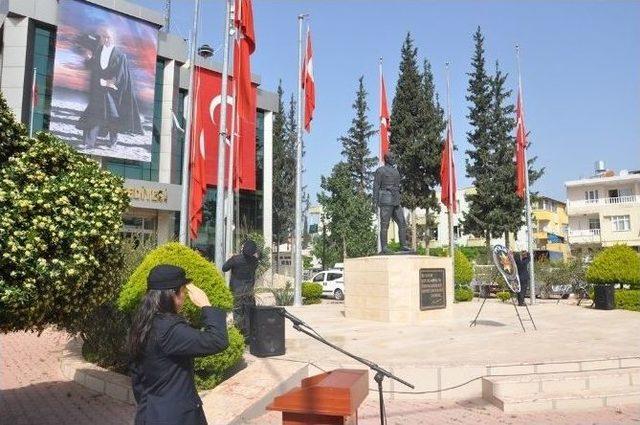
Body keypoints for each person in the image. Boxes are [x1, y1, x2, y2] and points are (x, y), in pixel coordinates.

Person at [129, 264, 229, 425]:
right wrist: (206, 305)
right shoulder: (170, 330)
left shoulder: (143, 323)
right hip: (176, 417)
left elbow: (137, 376)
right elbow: (217, 340)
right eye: (182, 291)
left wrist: (152, 405)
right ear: (172, 295)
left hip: (149, 413)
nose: (184, 297)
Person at [76, 27, 143, 148]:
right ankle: (88, 143)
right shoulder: (97, 51)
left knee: (113, 118)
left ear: (113, 38)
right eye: (104, 37)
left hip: (113, 93)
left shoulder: (120, 56)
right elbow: (91, 67)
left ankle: (113, 141)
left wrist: (107, 82)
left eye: (108, 37)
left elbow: (120, 75)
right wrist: (88, 59)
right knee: (94, 115)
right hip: (98, 92)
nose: (106, 39)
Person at [222, 240, 261, 340]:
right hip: (249, 291)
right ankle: (249, 336)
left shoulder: (235, 259)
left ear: (243, 249)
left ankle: (240, 336)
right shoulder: (255, 261)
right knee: (249, 312)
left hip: (237, 290)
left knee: (238, 312)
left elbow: (224, 268)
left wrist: (232, 258)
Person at [373, 152, 410, 254]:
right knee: (385, 225)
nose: (394, 159)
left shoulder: (396, 171)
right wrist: (374, 202)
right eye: (392, 157)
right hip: (385, 199)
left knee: (402, 223)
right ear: (387, 159)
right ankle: (384, 247)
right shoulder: (380, 171)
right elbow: (376, 186)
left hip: (396, 200)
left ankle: (403, 245)